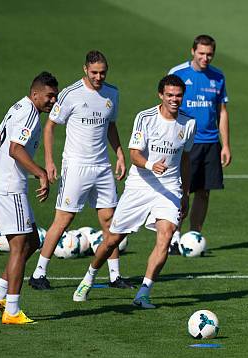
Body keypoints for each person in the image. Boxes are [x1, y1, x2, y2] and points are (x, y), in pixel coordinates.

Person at [72, 75, 195, 308]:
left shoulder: (189, 123)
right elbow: (135, 154)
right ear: (161, 95)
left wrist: (185, 194)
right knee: (113, 239)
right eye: (169, 95)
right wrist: (151, 165)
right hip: (140, 186)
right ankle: (88, 278)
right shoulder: (145, 118)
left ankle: (144, 293)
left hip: (169, 188)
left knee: (166, 235)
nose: (174, 99)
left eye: (178, 95)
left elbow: (186, 160)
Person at [29, 50, 132, 290]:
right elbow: (50, 127)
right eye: (94, 72)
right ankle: (38, 273)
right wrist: (50, 161)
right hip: (76, 166)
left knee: (111, 221)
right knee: (63, 219)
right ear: (85, 69)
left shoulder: (112, 93)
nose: (99, 77)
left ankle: (115, 276)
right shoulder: (70, 94)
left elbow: (111, 126)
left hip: (102, 167)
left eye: (103, 72)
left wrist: (118, 154)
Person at [0, 72, 59, 324]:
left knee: (31, 241)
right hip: (9, 187)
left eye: (55, 96)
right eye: (49, 96)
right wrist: (40, 174)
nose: (52, 101)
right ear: (35, 93)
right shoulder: (29, 113)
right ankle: (12, 311)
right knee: (19, 246)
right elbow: (15, 149)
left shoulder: (17, 106)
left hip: (1, 183)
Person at [167, 34, 230, 246]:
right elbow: (167, 108)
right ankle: (174, 237)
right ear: (193, 51)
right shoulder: (178, 73)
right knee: (182, 189)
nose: (205, 58)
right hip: (185, 142)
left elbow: (222, 112)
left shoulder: (218, 77)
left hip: (211, 142)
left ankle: (193, 237)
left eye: (209, 54)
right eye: (201, 53)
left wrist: (226, 144)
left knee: (204, 192)